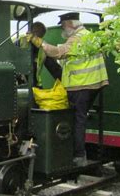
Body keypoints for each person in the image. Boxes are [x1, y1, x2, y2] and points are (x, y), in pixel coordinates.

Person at [26, 12, 109, 166]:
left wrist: (40, 42)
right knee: (78, 118)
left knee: (77, 119)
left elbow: (58, 53)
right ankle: (75, 154)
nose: (62, 29)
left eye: (63, 25)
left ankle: (78, 156)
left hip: (82, 84)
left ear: (71, 24)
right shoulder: (89, 36)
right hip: (92, 83)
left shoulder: (78, 38)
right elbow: (56, 68)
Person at [20, 21, 62, 87]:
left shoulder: (43, 48)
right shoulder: (20, 41)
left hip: (33, 83)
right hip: (19, 81)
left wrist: (64, 82)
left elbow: (54, 68)